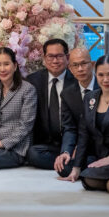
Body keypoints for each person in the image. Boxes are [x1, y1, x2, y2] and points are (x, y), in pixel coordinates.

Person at [62, 55, 109, 195]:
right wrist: (76, 168)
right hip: (100, 156)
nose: (105, 80)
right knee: (83, 176)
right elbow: (83, 134)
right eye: (101, 75)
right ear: (96, 74)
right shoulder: (90, 98)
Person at [26, 39, 76, 171]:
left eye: (59, 56)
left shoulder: (76, 81)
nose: (55, 61)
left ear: (67, 57)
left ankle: (68, 160)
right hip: (45, 145)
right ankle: (68, 164)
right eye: (50, 56)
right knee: (32, 154)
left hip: (71, 142)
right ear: (44, 58)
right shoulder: (33, 81)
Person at [54, 47, 99, 177]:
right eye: (75, 65)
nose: (80, 69)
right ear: (70, 69)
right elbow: (69, 128)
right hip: (80, 147)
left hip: (103, 146)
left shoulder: (103, 87)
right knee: (63, 168)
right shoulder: (67, 94)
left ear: (92, 64)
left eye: (84, 64)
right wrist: (66, 151)